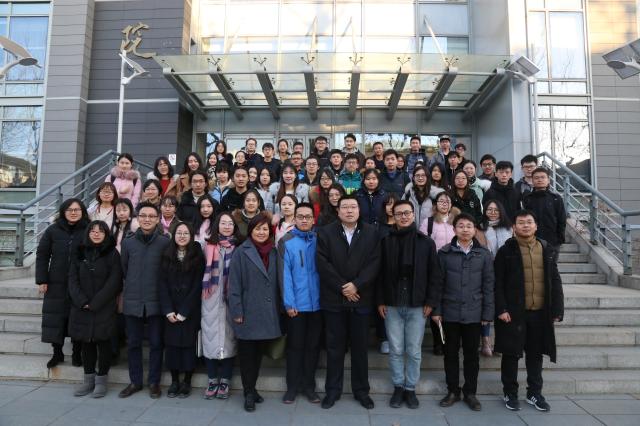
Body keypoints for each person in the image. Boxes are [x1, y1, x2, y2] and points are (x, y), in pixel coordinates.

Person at [316, 195, 381, 410]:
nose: (349, 211)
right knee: (334, 348)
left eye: (353, 207)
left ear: (360, 210)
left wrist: (357, 285)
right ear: (338, 211)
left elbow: (374, 262)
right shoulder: (325, 232)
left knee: (360, 349)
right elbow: (322, 263)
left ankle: (362, 391)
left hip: (361, 299)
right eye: (345, 207)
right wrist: (344, 287)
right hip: (334, 300)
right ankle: (332, 391)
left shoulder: (371, 232)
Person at [495, 210, 564, 412]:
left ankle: (534, 393)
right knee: (511, 354)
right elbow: (497, 282)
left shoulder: (546, 248)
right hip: (513, 313)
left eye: (529, 222)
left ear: (536, 226)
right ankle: (510, 393)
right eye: (521, 222)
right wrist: (501, 308)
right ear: (514, 227)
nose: (525, 225)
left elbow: (555, 280)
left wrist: (557, 308)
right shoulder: (506, 250)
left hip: (540, 313)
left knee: (535, 354)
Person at [377, 200, 443, 409]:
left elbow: (435, 275)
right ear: (393, 217)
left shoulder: (426, 242)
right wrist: (380, 300)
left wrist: (431, 301)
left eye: (407, 213)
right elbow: (379, 273)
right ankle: (398, 386)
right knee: (396, 349)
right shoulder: (386, 241)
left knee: (413, 350)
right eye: (399, 214)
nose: (403, 217)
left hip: (417, 304)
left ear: (414, 215)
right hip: (392, 303)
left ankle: (410, 388)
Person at [434, 213, 494, 412]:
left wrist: (487, 313)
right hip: (449, 312)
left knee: (471, 356)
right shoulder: (444, 253)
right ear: (454, 229)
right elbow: (438, 284)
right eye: (461, 226)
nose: (465, 229)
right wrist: (437, 310)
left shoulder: (484, 254)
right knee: (450, 354)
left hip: (474, 312)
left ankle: (470, 393)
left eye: (469, 226)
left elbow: (488, 286)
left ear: (475, 229)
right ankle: (453, 391)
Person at [229, 213, 282, 412]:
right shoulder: (241, 252)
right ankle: (248, 393)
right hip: (248, 311)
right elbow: (234, 285)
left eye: (265, 229)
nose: (261, 232)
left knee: (258, 354)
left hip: (267, 312)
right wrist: (237, 311)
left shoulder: (274, 252)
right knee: (247, 356)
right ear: (251, 230)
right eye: (257, 228)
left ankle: (252, 389)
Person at [118, 202, 170, 399]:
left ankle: (154, 382)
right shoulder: (128, 242)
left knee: (156, 343)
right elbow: (124, 269)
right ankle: (135, 381)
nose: (147, 219)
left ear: (157, 219)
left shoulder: (165, 242)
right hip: (133, 300)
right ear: (137, 218)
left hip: (156, 301)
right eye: (143, 216)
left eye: (151, 216)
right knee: (133, 343)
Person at [68, 220, 122, 398]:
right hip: (82, 307)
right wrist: (82, 300)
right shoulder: (79, 252)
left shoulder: (112, 253)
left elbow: (115, 281)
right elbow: (72, 279)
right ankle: (88, 380)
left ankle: (101, 381)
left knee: (103, 343)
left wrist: (96, 302)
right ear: (88, 233)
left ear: (106, 234)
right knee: (86, 344)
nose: (96, 234)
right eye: (93, 231)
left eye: (101, 231)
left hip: (103, 306)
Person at [36, 198, 89, 369]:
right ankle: (57, 353)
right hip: (56, 280)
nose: (73, 213)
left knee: (78, 317)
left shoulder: (89, 229)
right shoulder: (53, 230)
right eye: (69, 210)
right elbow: (42, 255)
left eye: (77, 210)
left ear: (82, 212)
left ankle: (76, 353)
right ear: (63, 212)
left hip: (80, 281)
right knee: (56, 317)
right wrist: (42, 280)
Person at [278, 202, 322, 404]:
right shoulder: (286, 241)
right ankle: (292, 387)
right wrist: (289, 304)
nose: (304, 220)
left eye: (308, 217)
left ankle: (309, 387)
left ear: (313, 219)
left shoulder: (319, 240)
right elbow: (284, 275)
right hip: (296, 306)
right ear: (294, 218)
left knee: (313, 348)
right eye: (300, 216)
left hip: (318, 306)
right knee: (295, 348)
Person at [159, 222, 206, 398]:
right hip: (170, 309)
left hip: (190, 309)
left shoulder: (197, 255)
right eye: (179, 233)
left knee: (188, 346)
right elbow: (162, 283)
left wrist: (185, 311)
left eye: (186, 233)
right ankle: (174, 381)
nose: (182, 236)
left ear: (191, 236)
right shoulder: (166, 254)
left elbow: (197, 285)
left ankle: (186, 381)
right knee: (171, 346)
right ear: (173, 235)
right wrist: (168, 310)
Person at [202, 213, 241, 400]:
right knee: (209, 338)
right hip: (209, 299)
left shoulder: (239, 248)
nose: (226, 226)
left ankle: (225, 380)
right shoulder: (207, 247)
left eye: (230, 223)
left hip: (230, 299)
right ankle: (212, 379)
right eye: (223, 223)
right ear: (217, 225)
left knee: (229, 340)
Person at [475, 199, 513, 357]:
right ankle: (485, 340)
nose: (492, 212)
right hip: (486, 271)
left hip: (505, 272)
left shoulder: (509, 228)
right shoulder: (479, 228)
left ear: (501, 211)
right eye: (489, 209)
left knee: (501, 306)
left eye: (496, 210)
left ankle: (500, 343)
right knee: (486, 305)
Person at [522, 167, 567, 253]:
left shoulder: (556, 198)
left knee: (551, 262)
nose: (540, 180)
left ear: (548, 180)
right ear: (532, 180)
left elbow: (562, 220)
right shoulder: (527, 198)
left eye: (543, 177)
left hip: (552, 240)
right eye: (536, 178)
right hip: (531, 239)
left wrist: (560, 238)